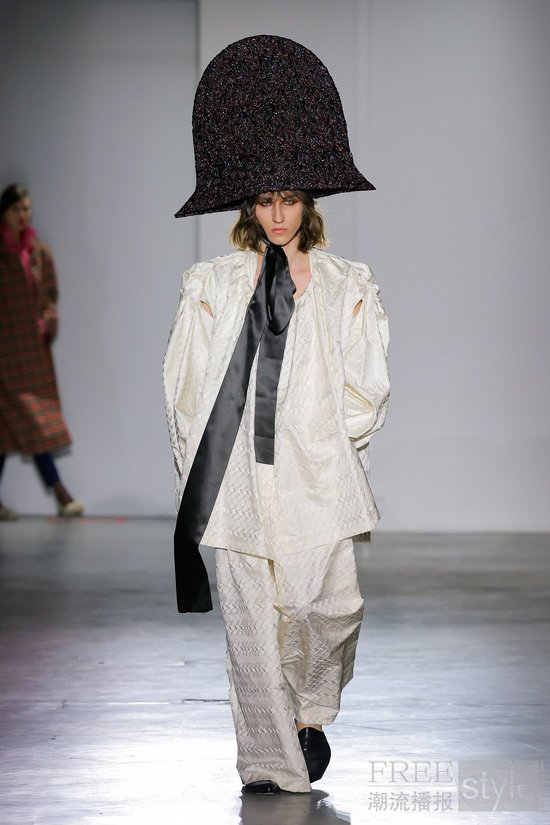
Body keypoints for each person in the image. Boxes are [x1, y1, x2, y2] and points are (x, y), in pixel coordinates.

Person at [163, 36, 390, 795]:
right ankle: (269, 759)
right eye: (265, 200)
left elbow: (366, 383)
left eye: (289, 198)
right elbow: (185, 387)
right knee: (251, 627)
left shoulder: (346, 283)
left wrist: (334, 446)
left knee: (329, 606)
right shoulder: (211, 286)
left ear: (309, 201)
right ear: (247, 206)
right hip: (234, 477)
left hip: (314, 471)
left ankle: (309, 712)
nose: (279, 212)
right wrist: (196, 474)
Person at [0, 183, 83, 519]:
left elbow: (50, 295)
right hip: (5, 348)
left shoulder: (39, 252)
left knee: (15, 424)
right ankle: (61, 492)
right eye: (17, 209)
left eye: (27, 209)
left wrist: (47, 320)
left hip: (31, 351)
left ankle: (60, 494)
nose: (24, 215)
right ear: (4, 212)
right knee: (23, 422)